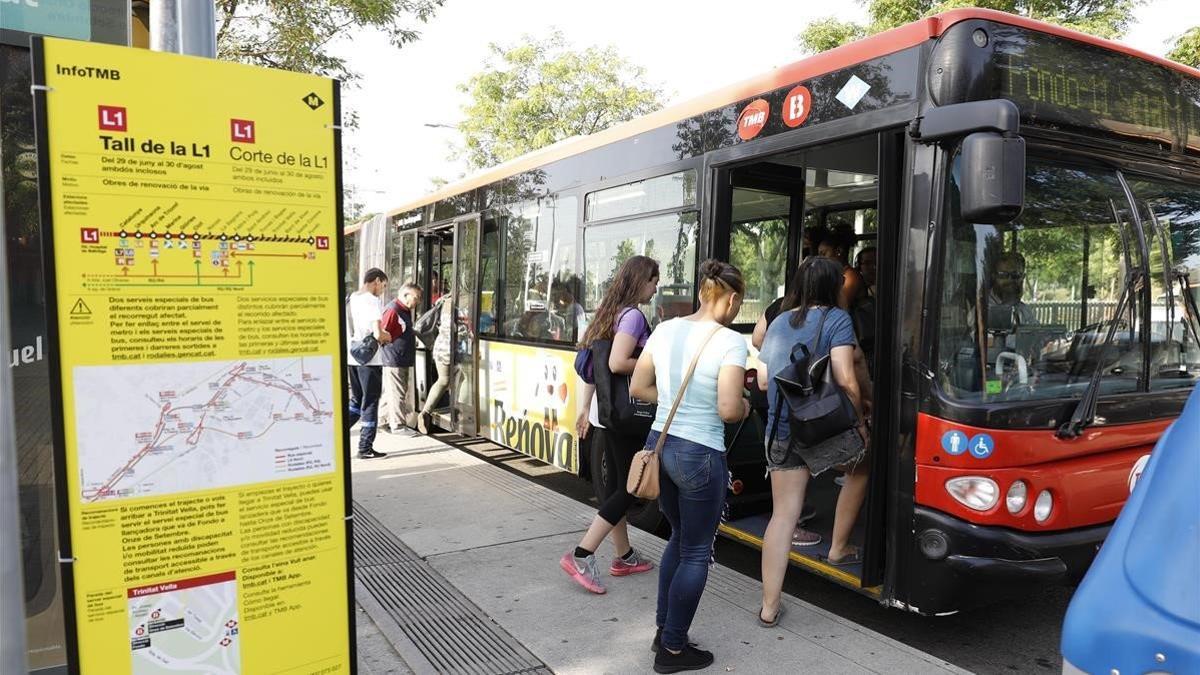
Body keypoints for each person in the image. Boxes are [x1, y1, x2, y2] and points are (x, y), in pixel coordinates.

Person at [629, 260, 749, 673]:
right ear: (732, 300)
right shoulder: (732, 342)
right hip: (700, 453)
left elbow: (638, 386)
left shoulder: (664, 329)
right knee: (697, 551)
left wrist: (673, 402)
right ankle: (674, 650)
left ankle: (664, 632)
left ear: (701, 292)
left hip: (659, 446)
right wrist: (748, 404)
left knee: (678, 540)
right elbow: (729, 408)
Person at [758, 258, 872, 625]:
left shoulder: (778, 321)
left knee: (783, 516)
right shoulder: (838, 319)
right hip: (825, 430)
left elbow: (763, 382)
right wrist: (858, 422)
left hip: (782, 430)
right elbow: (847, 378)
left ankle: (769, 606)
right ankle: (839, 546)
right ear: (833, 285)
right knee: (863, 466)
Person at [561, 255, 660, 595]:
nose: (656, 287)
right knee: (630, 489)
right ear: (639, 281)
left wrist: (585, 407)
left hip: (608, 413)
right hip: (629, 415)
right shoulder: (632, 316)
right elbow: (617, 362)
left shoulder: (609, 312)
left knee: (619, 483)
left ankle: (624, 556)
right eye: (653, 280)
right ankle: (582, 553)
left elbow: (593, 367)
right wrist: (651, 360)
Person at [346, 268, 392, 460]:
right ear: (376, 281)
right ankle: (365, 448)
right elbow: (377, 333)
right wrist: (387, 336)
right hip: (369, 361)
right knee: (370, 402)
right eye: (383, 285)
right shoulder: (372, 301)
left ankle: (335, 434)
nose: (383, 290)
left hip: (352, 357)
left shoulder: (351, 298)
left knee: (356, 400)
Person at [380, 283, 422, 437]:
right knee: (397, 393)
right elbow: (381, 333)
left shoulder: (403, 310)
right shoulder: (393, 310)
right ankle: (398, 426)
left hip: (400, 358)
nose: (417, 302)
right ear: (405, 295)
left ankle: (382, 421)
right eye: (416, 298)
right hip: (395, 359)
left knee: (391, 392)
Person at [418, 286, 454, 434]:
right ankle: (426, 413)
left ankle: (426, 412)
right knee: (450, 380)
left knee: (445, 380)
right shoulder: (457, 304)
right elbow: (458, 328)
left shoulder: (443, 300)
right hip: (450, 349)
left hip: (440, 347)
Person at [818, 232, 866, 310]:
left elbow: (840, 307)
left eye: (823, 254)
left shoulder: (851, 276)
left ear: (839, 251)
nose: (820, 259)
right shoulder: (838, 275)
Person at [988, 251, 1037, 326]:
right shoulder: (982, 309)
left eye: (1015, 275)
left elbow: (1038, 335)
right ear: (994, 277)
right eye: (1003, 275)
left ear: (1022, 277)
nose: (1009, 280)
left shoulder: (1025, 311)